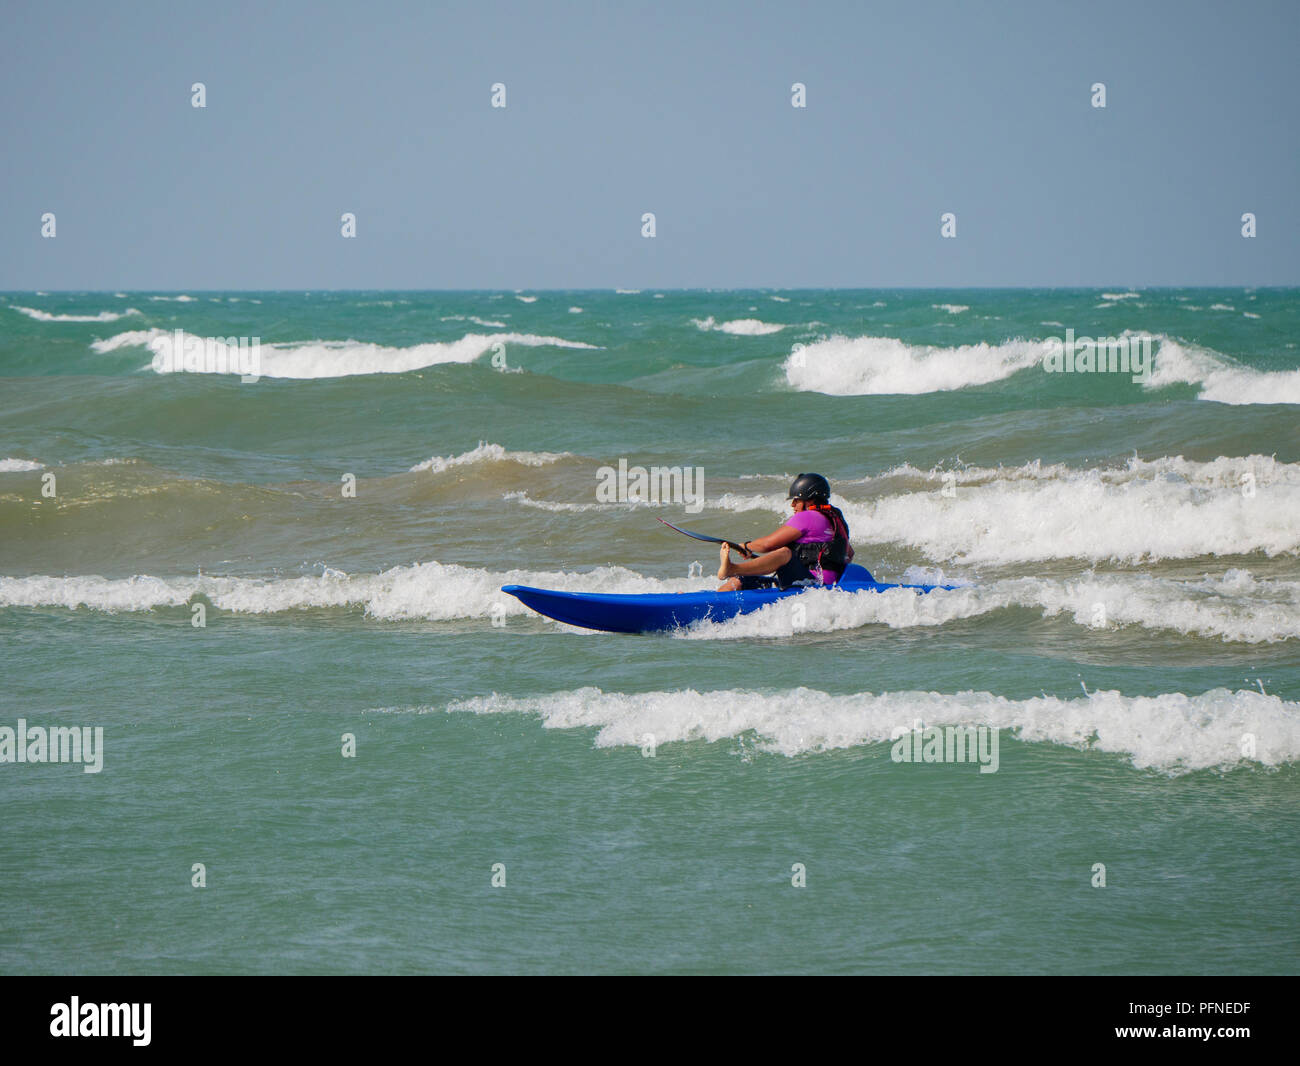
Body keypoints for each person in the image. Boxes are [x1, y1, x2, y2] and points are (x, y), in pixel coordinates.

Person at [716, 473, 854, 591]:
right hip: (819, 584)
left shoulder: (808, 516)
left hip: (810, 583)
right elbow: (849, 553)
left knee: (784, 553)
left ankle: (732, 569)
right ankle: (716, 600)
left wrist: (746, 546)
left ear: (810, 500)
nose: (792, 505)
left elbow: (768, 545)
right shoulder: (835, 520)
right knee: (740, 581)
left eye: (796, 500)